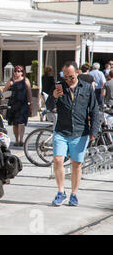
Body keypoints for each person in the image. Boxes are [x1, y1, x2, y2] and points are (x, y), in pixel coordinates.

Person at [46, 61, 100, 207]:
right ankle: (60, 192)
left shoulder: (87, 88)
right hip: (61, 131)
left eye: (71, 76)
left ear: (77, 73)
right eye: (65, 77)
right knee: (58, 160)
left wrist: (94, 131)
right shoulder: (59, 87)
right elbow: (49, 107)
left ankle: (74, 194)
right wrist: (53, 96)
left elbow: (94, 110)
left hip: (80, 131)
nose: (68, 80)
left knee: (77, 164)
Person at [3, 65, 32, 147]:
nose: (16, 73)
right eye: (15, 71)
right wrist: (7, 92)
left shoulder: (26, 80)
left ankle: (21, 140)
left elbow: (29, 93)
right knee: (15, 123)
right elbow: (4, 92)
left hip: (23, 104)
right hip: (13, 104)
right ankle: (16, 140)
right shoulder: (11, 81)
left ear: (22, 72)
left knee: (21, 122)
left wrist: (30, 104)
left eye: (18, 71)